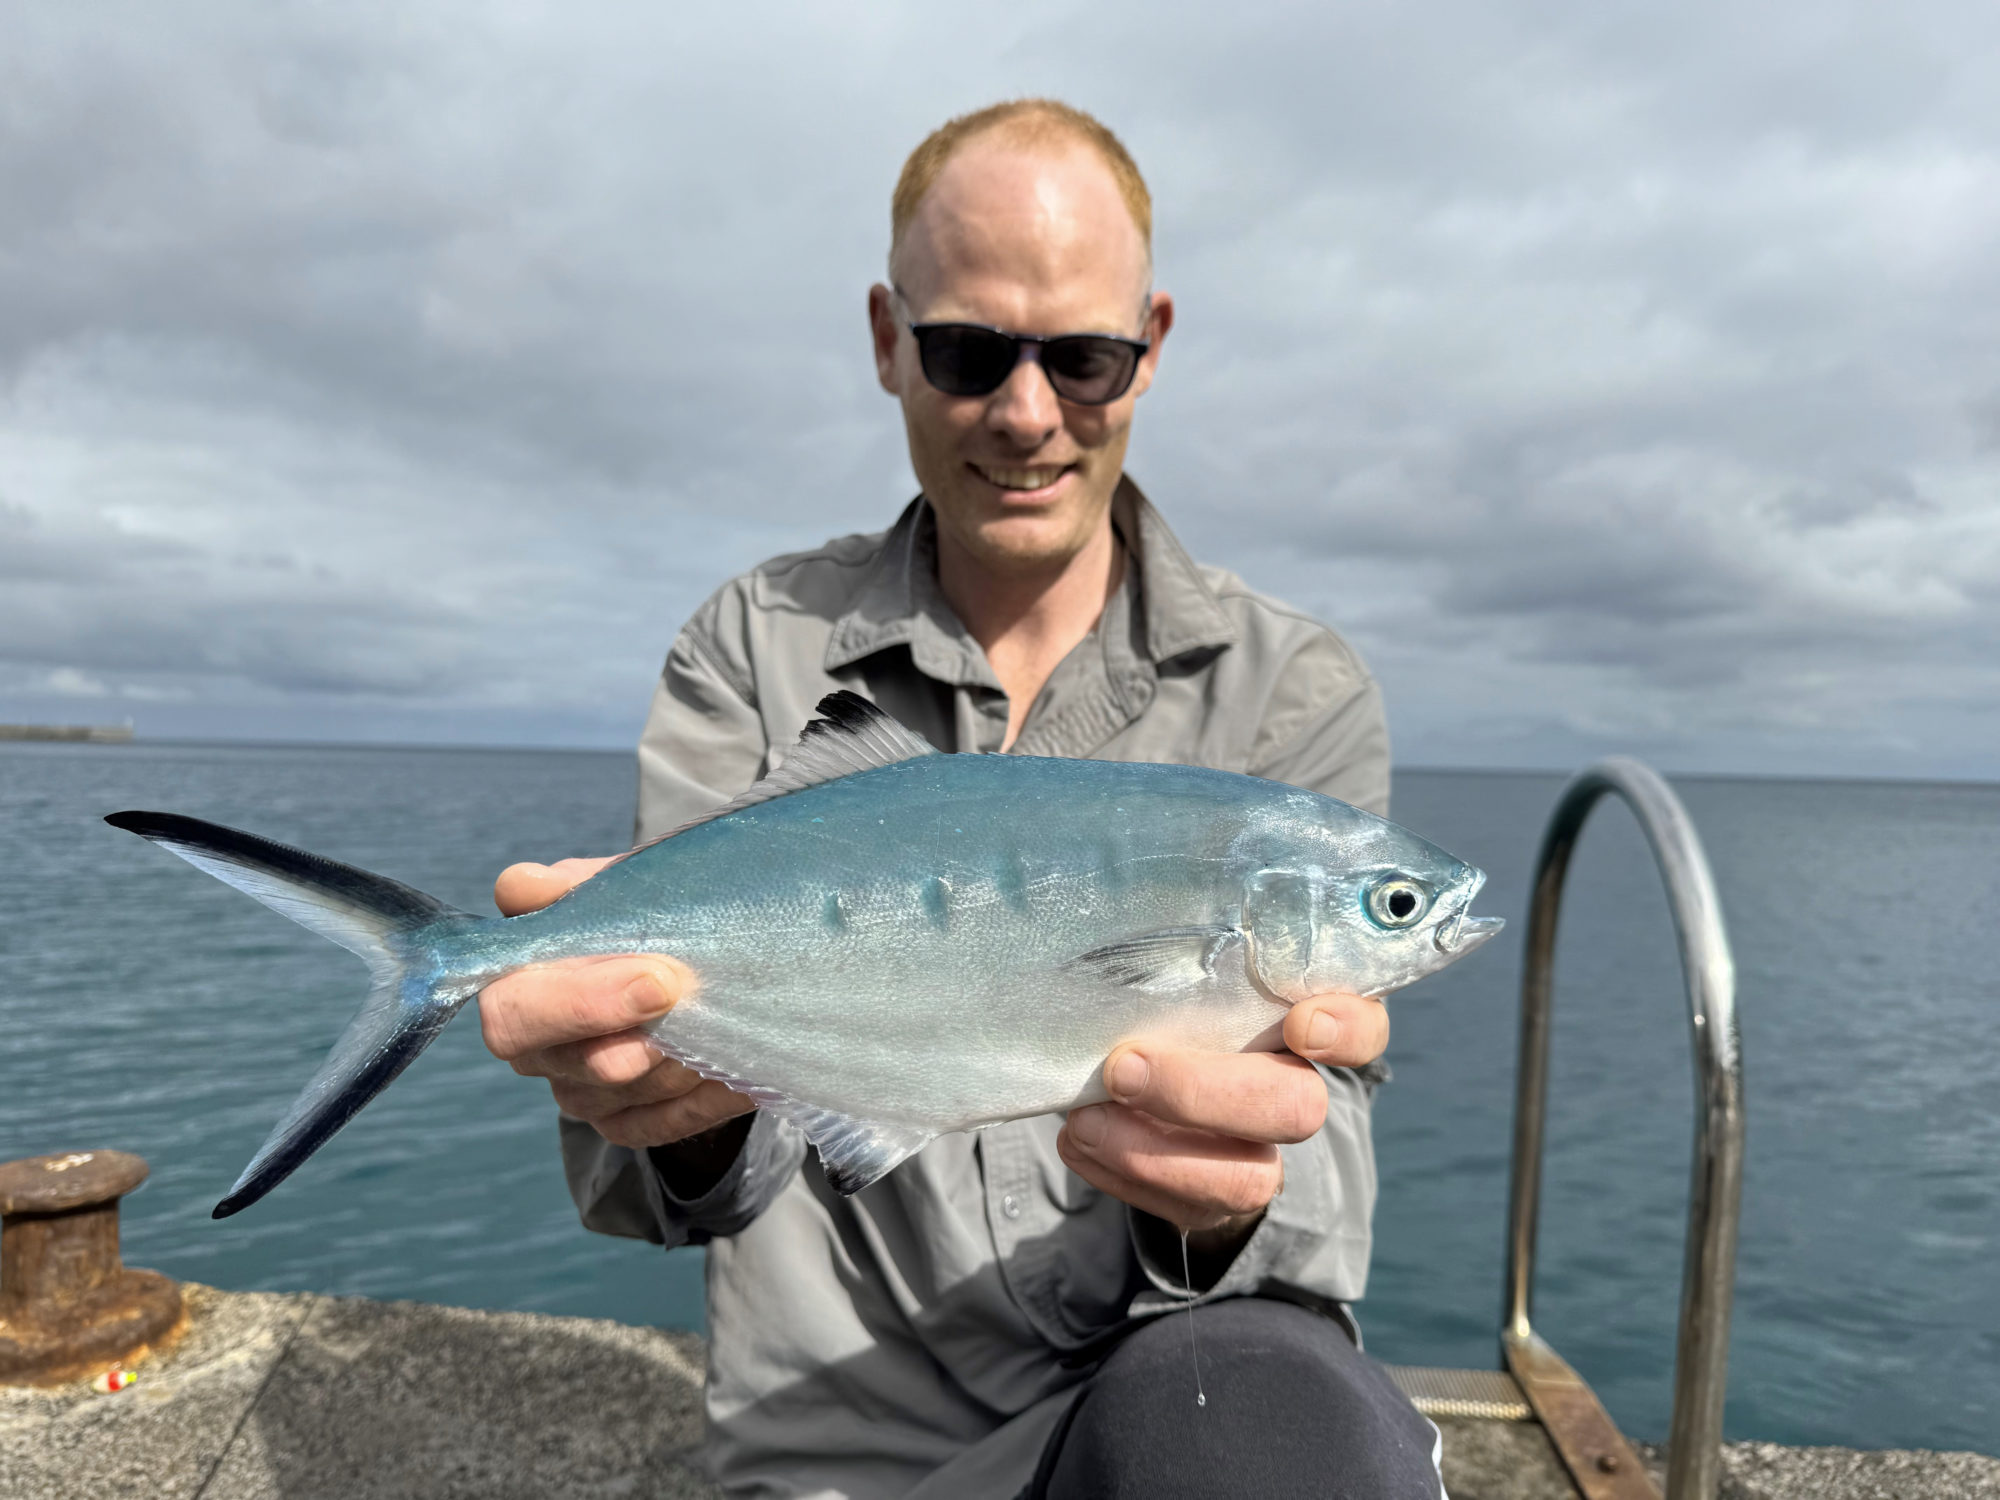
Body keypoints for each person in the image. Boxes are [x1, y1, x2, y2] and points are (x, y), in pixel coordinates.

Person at [478, 100, 1445, 1499]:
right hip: (829, 1457)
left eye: (1088, 357)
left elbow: (1321, 1182)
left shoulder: (1290, 690)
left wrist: (1239, 1194)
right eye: (968, 351)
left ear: (1152, 347)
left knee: (1277, 1420)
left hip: (1156, 1412)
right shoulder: (754, 652)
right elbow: (654, 1181)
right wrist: (674, 1101)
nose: (1028, 413)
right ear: (888, 339)